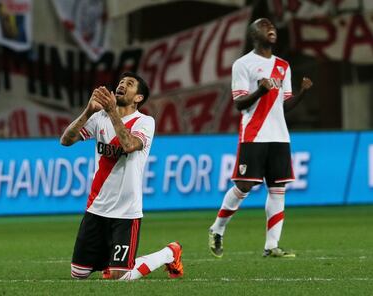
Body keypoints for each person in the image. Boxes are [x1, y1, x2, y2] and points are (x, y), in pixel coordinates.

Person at [60, 72, 183, 280]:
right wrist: (88, 111)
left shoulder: (145, 122)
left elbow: (128, 145)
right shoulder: (99, 118)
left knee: (119, 277)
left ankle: (169, 253)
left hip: (126, 212)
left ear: (139, 98)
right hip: (97, 207)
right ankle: (115, 263)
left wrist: (112, 113)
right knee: (78, 274)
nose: (122, 85)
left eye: (130, 84)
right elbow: (66, 140)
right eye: (121, 82)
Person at [208, 18, 313, 258]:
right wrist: (261, 90)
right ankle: (217, 228)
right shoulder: (243, 64)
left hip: (280, 136)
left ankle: (271, 246)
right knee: (244, 186)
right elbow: (238, 103)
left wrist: (302, 94)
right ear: (254, 34)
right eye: (264, 25)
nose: (271, 27)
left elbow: (284, 105)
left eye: (272, 25)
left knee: (278, 189)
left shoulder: (283, 66)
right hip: (254, 134)